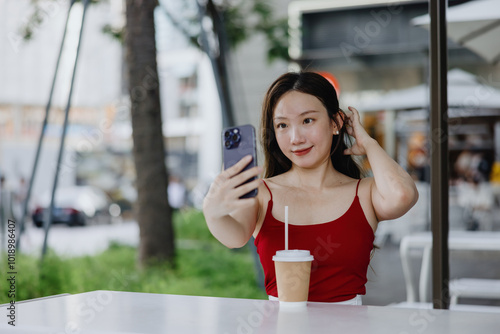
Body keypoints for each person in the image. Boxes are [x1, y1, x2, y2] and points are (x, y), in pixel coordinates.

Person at [203, 71, 418, 304]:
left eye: (307, 120)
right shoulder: (263, 192)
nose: (295, 138)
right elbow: (234, 237)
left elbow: (403, 195)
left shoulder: (364, 193)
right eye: (283, 125)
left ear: (335, 122)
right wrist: (212, 211)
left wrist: (369, 144)